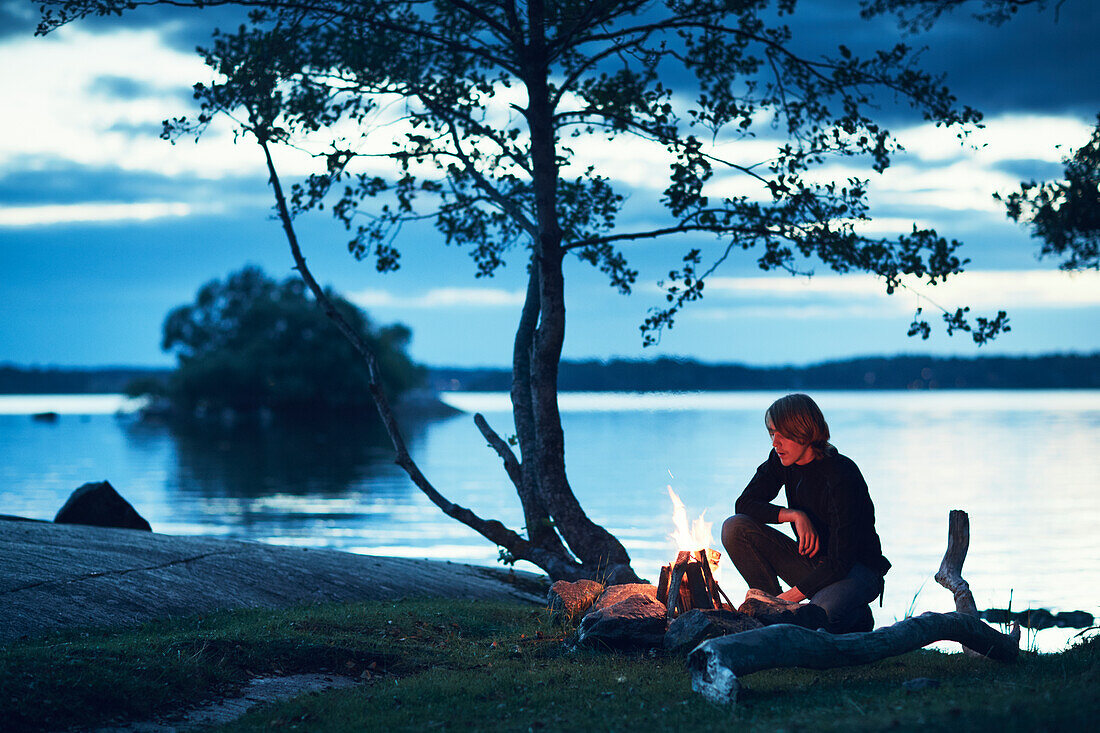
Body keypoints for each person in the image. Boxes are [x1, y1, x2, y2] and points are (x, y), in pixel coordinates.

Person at [721, 393, 890, 633]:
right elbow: (745, 504)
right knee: (735, 527)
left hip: (857, 571)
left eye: (782, 434)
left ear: (804, 431)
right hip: (814, 564)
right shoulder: (780, 460)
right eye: (771, 433)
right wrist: (794, 515)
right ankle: (768, 615)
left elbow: (841, 561)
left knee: (817, 614)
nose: (775, 443)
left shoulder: (841, 474)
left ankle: (856, 618)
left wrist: (786, 600)